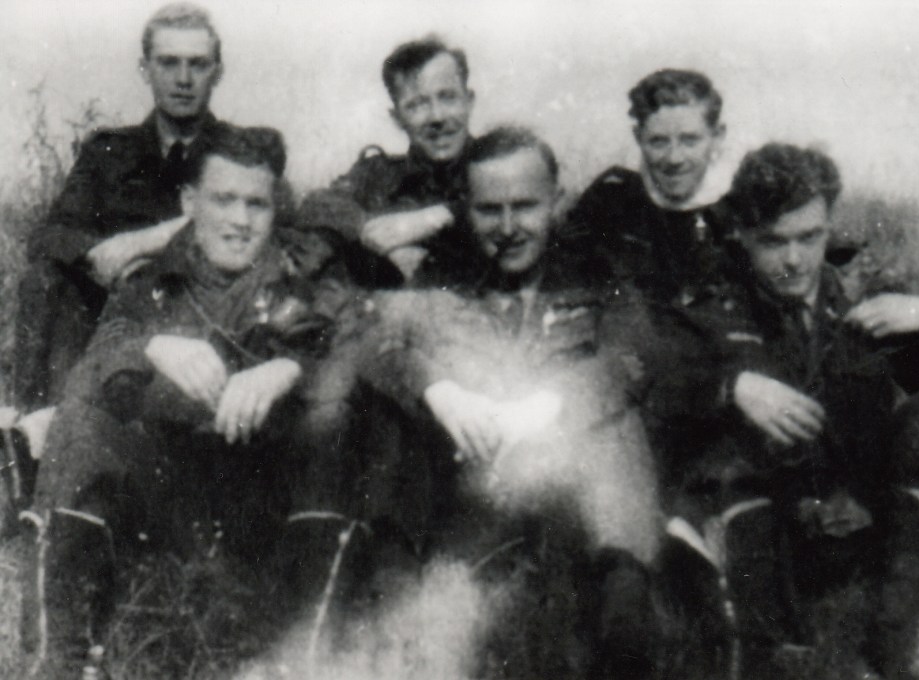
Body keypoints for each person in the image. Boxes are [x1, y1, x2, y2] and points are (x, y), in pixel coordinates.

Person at [646, 144, 919, 679]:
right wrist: (733, 387)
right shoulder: (708, 303)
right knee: (723, 463)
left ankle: (894, 644)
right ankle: (765, 650)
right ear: (743, 235)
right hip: (763, 527)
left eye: (809, 237)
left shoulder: (862, 298)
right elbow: (652, 388)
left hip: (860, 518)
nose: (794, 259)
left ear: (828, 226)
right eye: (773, 241)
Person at [332, 127, 662, 679]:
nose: (508, 227)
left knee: (617, 421)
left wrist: (549, 404)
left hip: (569, 484)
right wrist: (438, 389)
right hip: (473, 485)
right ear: (467, 208)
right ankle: (393, 597)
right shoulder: (443, 273)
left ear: (556, 201)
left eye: (525, 206)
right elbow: (371, 341)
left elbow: (637, 356)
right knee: (396, 406)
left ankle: (623, 609)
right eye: (489, 210)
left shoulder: (594, 269)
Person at [19, 125, 344, 678]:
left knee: (344, 421)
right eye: (223, 200)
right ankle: (58, 660)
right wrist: (152, 347)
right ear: (190, 203)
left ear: (276, 209)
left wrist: (288, 369)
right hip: (176, 499)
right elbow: (93, 367)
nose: (240, 221)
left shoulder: (304, 281)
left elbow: (361, 348)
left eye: (257, 204)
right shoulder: (152, 284)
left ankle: (310, 661)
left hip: (269, 505)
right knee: (82, 416)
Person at [14, 3, 230, 415]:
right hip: (114, 317)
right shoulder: (109, 152)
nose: (184, 79)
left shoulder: (240, 151)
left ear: (217, 72)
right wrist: (102, 258)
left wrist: (140, 243)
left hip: (206, 314)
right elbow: (51, 235)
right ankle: (38, 425)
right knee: (45, 279)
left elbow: (277, 217)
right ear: (145, 69)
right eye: (168, 63)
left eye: (198, 64)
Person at [296, 36, 477, 283]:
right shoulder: (378, 174)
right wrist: (374, 234)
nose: (437, 117)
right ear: (397, 118)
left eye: (448, 97)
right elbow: (317, 205)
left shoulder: (504, 166)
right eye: (417, 105)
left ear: (469, 101)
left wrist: (440, 217)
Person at [565, 69, 730, 306]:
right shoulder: (608, 202)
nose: (674, 158)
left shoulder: (740, 210)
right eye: (658, 142)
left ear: (717, 137)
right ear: (638, 137)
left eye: (689, 140)